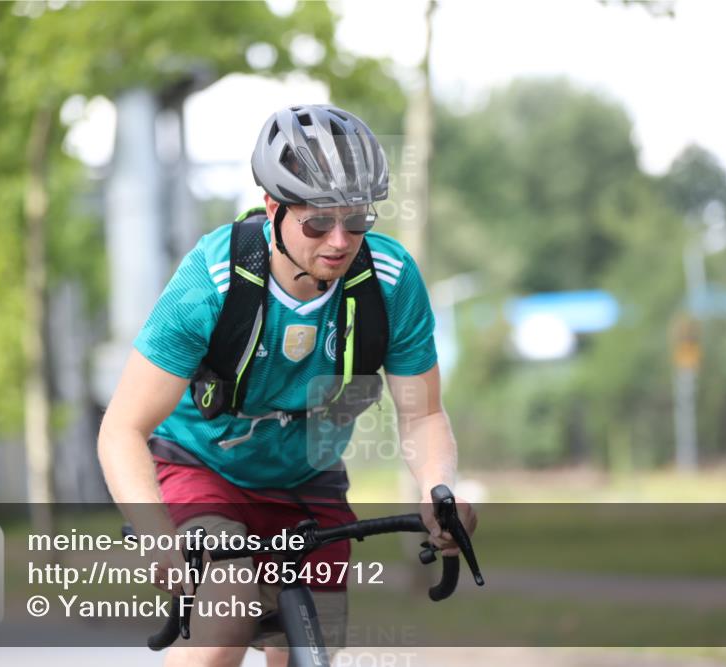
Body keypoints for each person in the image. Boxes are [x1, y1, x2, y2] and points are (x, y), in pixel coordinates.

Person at [97, 104, 476, 667]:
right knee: (227, 614)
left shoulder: (391, 284)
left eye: (357, 220)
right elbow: (122, 429)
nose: (340, 240)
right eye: (318, 221)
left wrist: (436, 490)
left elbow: (421, 414)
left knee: (312, 651)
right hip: (201, 469)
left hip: (307, 482)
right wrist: (156, 536)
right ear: (273, 207)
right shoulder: (212, 282)